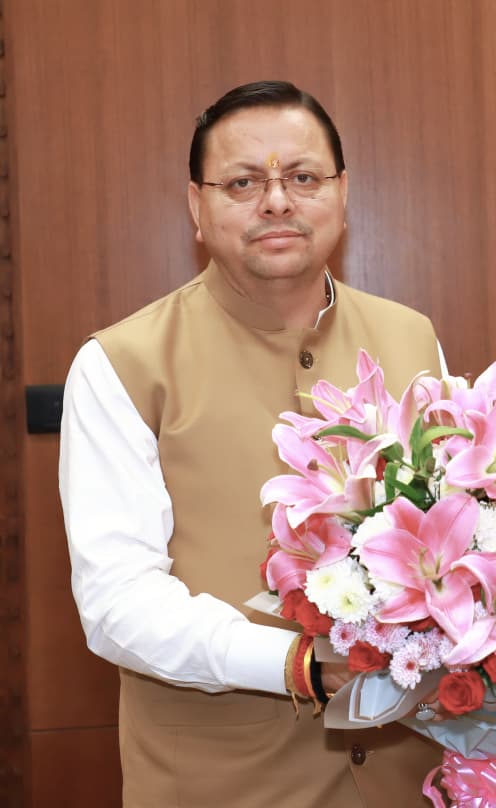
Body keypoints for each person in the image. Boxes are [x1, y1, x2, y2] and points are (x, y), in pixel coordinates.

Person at [60, 81, 445, 806]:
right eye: (242, 183)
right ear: (196, 206)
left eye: (303, 177)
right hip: (224, 782)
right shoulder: (123, 364)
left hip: (409, 777)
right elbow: (118, 603)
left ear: (342, 192)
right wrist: (299, 665)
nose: (276, 202)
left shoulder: (411, 337)